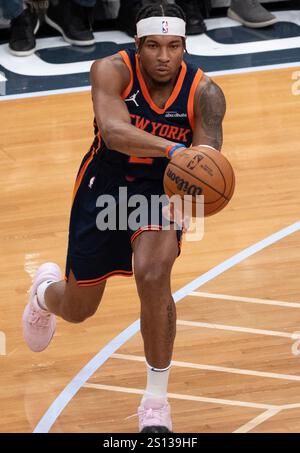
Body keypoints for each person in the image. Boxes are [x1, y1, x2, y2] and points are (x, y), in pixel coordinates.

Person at [22, 1, 226, 432]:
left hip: (160, 191)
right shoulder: (110, 70)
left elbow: (208, 156)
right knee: (79, 309)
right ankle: (43, 294)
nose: (164, 57)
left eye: (174, 46)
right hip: (105, 186)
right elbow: (114, 133)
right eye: (153, 46)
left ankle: (155, 403)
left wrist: (188, 199)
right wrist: (174, 149)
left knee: (153, 275)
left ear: (185, 46)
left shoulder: (206, 93)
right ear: (137, 45)